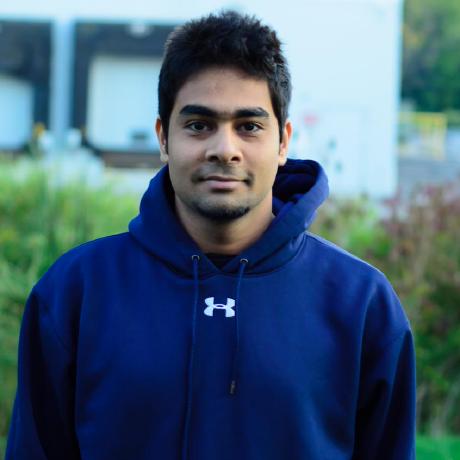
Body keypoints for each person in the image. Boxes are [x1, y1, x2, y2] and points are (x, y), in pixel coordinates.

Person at [6, 10, 416, 460]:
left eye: (249, 126)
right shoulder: (76, 291)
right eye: (199, 125)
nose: (225, 149)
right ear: (163, 138)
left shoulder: (361, 302)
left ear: (283, 141)